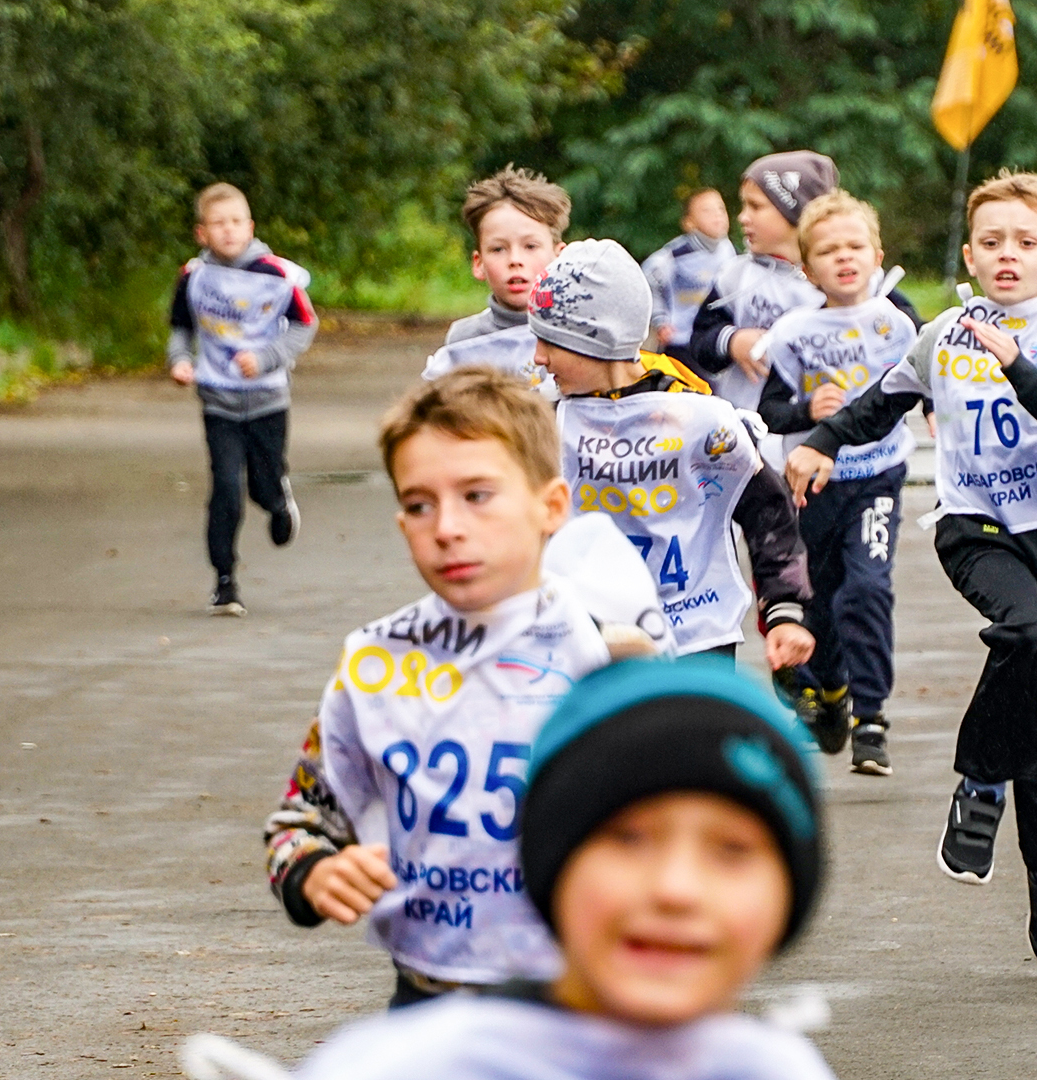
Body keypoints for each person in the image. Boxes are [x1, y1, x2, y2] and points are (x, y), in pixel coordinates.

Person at [787, 171, 1037, 965]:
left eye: (1025, 242)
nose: (1007, 255)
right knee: (1030, 632)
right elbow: (884, 396)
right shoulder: (944, 332)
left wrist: (1021, 367)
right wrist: (822, 442)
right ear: (971, 255)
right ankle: (980, 784)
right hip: (977, 525)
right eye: (992, 242)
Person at [262, 368, 660, 1008]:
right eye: (420, 504)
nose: (446, 527)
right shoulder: (376, 663)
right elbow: (299, 822)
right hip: (427, 1000)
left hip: (584, 1005)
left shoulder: (613, 662)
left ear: (551, 506)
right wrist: (314, 873)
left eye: (478, 495)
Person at [292, 659, 834, 1080]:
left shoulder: (784, 1069)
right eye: (628, 838)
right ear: (552, 857)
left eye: (733, 851)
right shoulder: (401, 1067)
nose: (676, 890)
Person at [534, 238, 816, 674]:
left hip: (696, 633)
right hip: (590, 637)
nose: (538, 357)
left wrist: (783, 610)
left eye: (551, 341)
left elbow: (767, 508)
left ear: (599, 340)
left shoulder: (698, 416)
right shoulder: (545, 420)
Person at [757, 192, 918, 776]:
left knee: (868, 587)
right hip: (811, 484)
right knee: (819, 597)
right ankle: (827, 691)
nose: (844, 258)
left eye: (855, 247)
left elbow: (926, 379)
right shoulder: (793, 331)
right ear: (806, 268)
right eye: (827, 251)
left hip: (877, 475)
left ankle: (871, 715)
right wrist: (807, 409)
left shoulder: (895, 322)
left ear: (877, 255)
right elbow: (772, 409)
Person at [167, 182, 316, 617]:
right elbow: (181, 328)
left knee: (261, 484)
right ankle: (225, 582)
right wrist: (179, 361)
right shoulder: (194, 277)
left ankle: (277, 499)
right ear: (202, 233)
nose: (229, 231)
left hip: (268, 399)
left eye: (236, 222)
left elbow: (306, 325)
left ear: (250, 227)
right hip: (218, 399)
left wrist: (269, 357)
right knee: (226, 488)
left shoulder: (274, 274)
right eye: (218, 224)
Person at [686, 152, 839, 411]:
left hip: (820, 425)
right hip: (746, 424)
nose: (742, 217)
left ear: (796, 212)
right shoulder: (736, 277)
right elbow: (701, 338)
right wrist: (732, 342)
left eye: (755, 206)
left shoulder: (841, 275)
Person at [423, 167, 572, 389]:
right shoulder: (465, 342)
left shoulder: (578, 333)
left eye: (530, 246)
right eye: (498, 249)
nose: (515, 259)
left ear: (559, 257)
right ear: (479, 263)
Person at [643, 188, 738, 363]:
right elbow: (647, 284)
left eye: (721, 209)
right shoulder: (674, 256)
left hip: (714, 341)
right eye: (706, 211)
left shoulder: (730, 251)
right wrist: (660, 321)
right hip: (681, 343)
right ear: (689, 223)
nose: (717, 216)